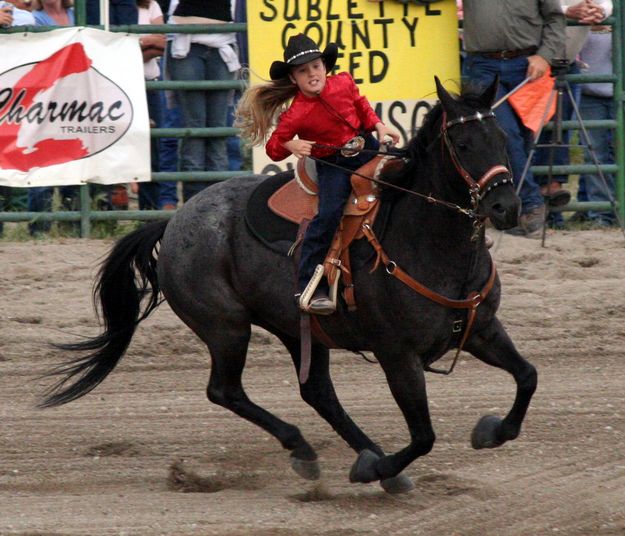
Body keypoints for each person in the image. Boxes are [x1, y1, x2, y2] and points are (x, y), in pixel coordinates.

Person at [236, 34, 399, 314]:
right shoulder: (296, 112)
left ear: (325, 66)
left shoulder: (344, 82)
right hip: (332, 163)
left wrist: (379, 125)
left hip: (365, 146)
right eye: (303, 70)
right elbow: (274, 148)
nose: (312, 73)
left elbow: (361, 105)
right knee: (328, 215)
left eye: (315, 66)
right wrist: (290, 143)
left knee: (403, 175)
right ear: (293, 79)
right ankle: (311, 283)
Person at [461, 0, 566, 237]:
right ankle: (530, 204)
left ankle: (510, 211)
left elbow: (555, 19)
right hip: (485, 64)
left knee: (523, 137)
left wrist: (545, 56)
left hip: (528, 64)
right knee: (505, 134)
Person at [533, 0, 613, 228]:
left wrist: (600, 10)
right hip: (535, 60)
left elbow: (608, 3)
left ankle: (554, 206)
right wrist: (569, 11)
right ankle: (539, 204)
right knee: (534, 134)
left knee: (559, 135)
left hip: (564, 63)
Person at [166, 0, 241, 202]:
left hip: (220, 43)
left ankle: (214, 203)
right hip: (189, 42)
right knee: (198, 127)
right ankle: (197, 204)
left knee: (214, 128)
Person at [577, 26, 615, 226]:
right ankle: (601, 213)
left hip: (617, 90)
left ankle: (613, 211)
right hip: (589, 91)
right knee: (595, 154)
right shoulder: (581, 10)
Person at [131, 0, 167, 210]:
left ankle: (149, 208)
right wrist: (146, 43)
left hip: (147, 84)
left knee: (151, 151)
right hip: (126, 83)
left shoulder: (150, 5)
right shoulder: (110, 7)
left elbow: (161, 43)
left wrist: (132, 46)